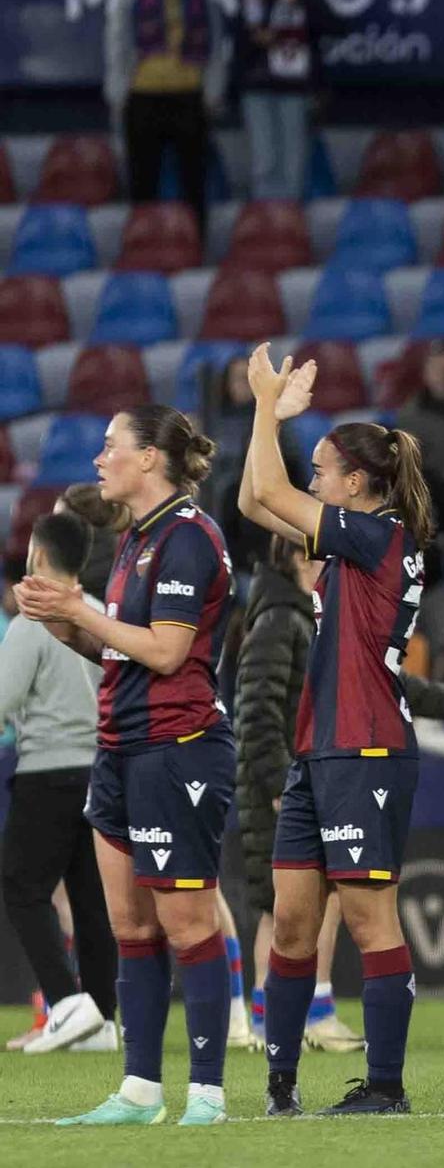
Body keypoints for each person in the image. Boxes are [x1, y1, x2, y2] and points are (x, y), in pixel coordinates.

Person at [15, 407, 236, 1125]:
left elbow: (169, 653)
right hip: (120, 748)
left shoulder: (188, 538)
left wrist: (81, 605)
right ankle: (140, 1089)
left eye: (111, 447)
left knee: (187, 921)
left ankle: (206, 1092)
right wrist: (65, 622)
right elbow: (124, 651)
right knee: (129, 926)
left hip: (175, 749)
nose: (99, 459)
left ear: (150, 460)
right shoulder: (137, 537)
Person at [235, 344, 435, 1116]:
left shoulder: (375, 535)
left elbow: (270, 490)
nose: (315, 480)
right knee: (290, 921)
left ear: (357, 483)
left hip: (368, 746)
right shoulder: (357, 536)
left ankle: (384, 1084)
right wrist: (270, 418)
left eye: (324, 468)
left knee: (365, 915)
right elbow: (260, 500)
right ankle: (281, 1085)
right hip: (321, 747)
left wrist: (265, 407)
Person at [232, 535, 444, 1057]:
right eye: (313, 556)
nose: (323, 568)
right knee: (286, 909)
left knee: (307, 905)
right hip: (291, 782)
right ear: (287, 558)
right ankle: (281, 1019)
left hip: (311, 775)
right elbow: (256, 712)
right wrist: (274, 787)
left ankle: (299, 1014)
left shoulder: (311, 619)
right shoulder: (278, 623)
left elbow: (388, 684)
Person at [2, 512, 117, 1055]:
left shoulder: (32, 620)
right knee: (93, 900)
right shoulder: (100, 615)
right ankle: (103, 1018)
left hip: (46, 773)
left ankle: (68, 1006)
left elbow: (3, 700)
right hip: (100, 774)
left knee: (23, 888)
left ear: (38, 556)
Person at [104, 0, 227, 240]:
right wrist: (119, 96)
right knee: (143, 182)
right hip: (143, 97)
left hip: (189, 97)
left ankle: (195, 245)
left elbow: (215, 51)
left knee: (194, 183)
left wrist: (212, 94)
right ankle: (144, 246)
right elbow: (117, 50)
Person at [233, 0, 323, 203]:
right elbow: (236, 42)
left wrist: (303, 3)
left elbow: (334, 27)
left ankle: (289, 216)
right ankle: (265, 215)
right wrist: (255, 39)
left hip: (293, 86)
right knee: (264, 157)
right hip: (257, 86)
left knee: (292, 155)